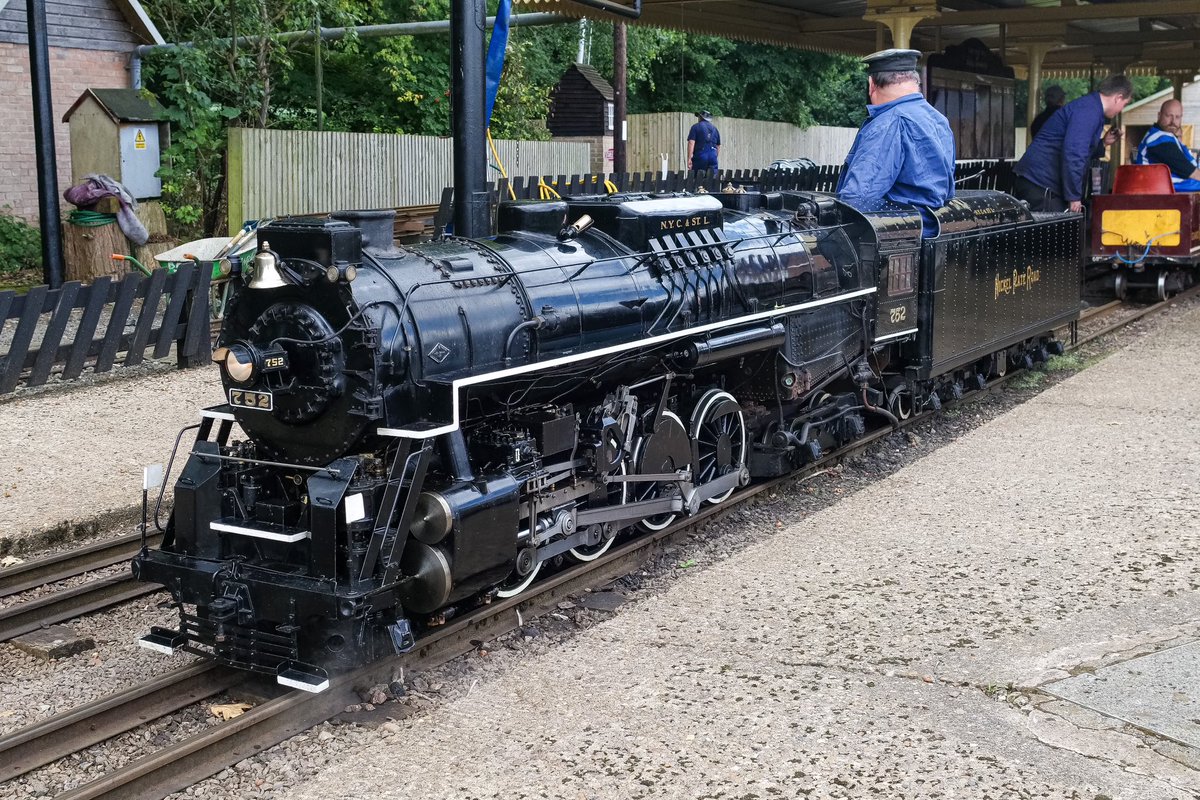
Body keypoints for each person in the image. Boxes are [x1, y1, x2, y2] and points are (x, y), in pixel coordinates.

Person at [836, 48, 955, 237]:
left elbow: (858, 199)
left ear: (871, 84)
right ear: (915, 82)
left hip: (897, 242)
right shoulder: (939, 120)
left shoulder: (888, 123)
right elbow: (947, 193)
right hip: (930, 235)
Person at [1012, 75, 1132, 213]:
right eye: (1125, 104)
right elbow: (1074, 153)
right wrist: (1074, 196)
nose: (1121, 109)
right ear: (1118, 97)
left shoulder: (1090, 108)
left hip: (1040, 182)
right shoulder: (1089, 111)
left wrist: (1103, 143)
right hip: (1040, 184)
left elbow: (1078, 148)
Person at [1133, 99, 1200, 191]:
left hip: (1171, 187)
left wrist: (1179, 138)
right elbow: (1187, 169)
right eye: (1169, 116)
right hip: (1161, 189)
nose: (1173, 121)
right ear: (1159, 116)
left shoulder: (1166, 136)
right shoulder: (1158, 139)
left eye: (1177, 117)